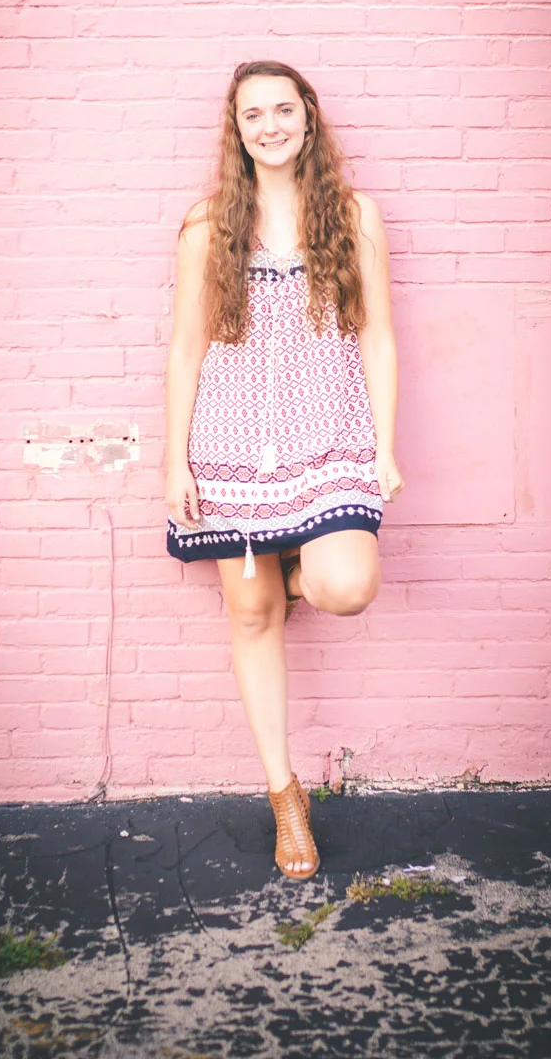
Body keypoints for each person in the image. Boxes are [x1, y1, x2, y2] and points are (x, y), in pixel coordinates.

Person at [165, 59, 404, 881]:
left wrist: (384, 446)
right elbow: (186, 349)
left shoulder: (354, 215)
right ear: (237, 131)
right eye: (252, 115)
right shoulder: (207, 226)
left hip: (329, 438)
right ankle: (284, 796)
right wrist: (173, 460)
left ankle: (298, 566)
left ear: (308, 116)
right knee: (252, 615)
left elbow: (378, 336)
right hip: (230, 445)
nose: (269, 125)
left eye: (282, 109)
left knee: (346, 583)